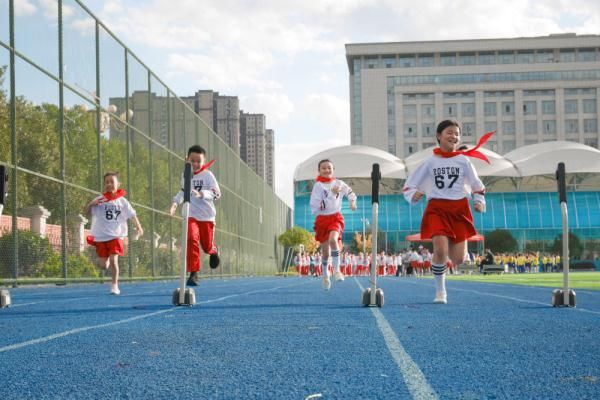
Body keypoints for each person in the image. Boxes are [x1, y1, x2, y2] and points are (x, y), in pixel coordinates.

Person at [402, 119, 490, 304]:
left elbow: (477, 184)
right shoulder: (430, 162)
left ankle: (457, 254)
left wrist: (479, 201)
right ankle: (440, 291)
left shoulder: (463, 161)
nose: (454, 136)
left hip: (459, 209)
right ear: (439, 136)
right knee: (440, 250)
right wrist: (413, 195)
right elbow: (410, 184)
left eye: (457, 133)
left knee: (457, 260)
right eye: (449, 132)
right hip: (437, 208)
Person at [85, 172, 143, 295]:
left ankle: (114, 285)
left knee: (113, 260)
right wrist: (91, 204)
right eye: (107, 182)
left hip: (116, 235)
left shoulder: (122, 201)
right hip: (101, 236)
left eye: (112, 182)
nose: (109, 184)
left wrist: (139, 227)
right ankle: (101, 263)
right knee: (103, 265)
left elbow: (132, 214)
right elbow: (87, 212)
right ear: (104, 184)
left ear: (118, 184)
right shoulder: (99, 199)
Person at [170, 145, 220, 287]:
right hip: (191, 214)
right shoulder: (185, 174)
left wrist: (202, 194)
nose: (195, 164)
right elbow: (183, 192)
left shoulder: (208, 176)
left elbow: (217, 193)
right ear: (187, 159)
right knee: (191, 239)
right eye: (192, 161)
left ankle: (213, 250)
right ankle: (193, 273)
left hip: (207, 217)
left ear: (203, 161)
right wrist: (175, 203)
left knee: (206, 246)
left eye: (199, 161)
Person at [310, 159, 357, 290]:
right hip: (322, 220)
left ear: (333, 169)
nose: (327, 170)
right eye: (323, 168)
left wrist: (352, 202)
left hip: (336, 217)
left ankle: (337, 270)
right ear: (319, 171)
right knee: (325, 253)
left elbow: (350, 192)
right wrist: (332, 194)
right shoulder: (318, 186)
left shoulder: (339, 183)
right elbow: (316, 207)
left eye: (329, 168)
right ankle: (325, 275)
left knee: (333, 240)